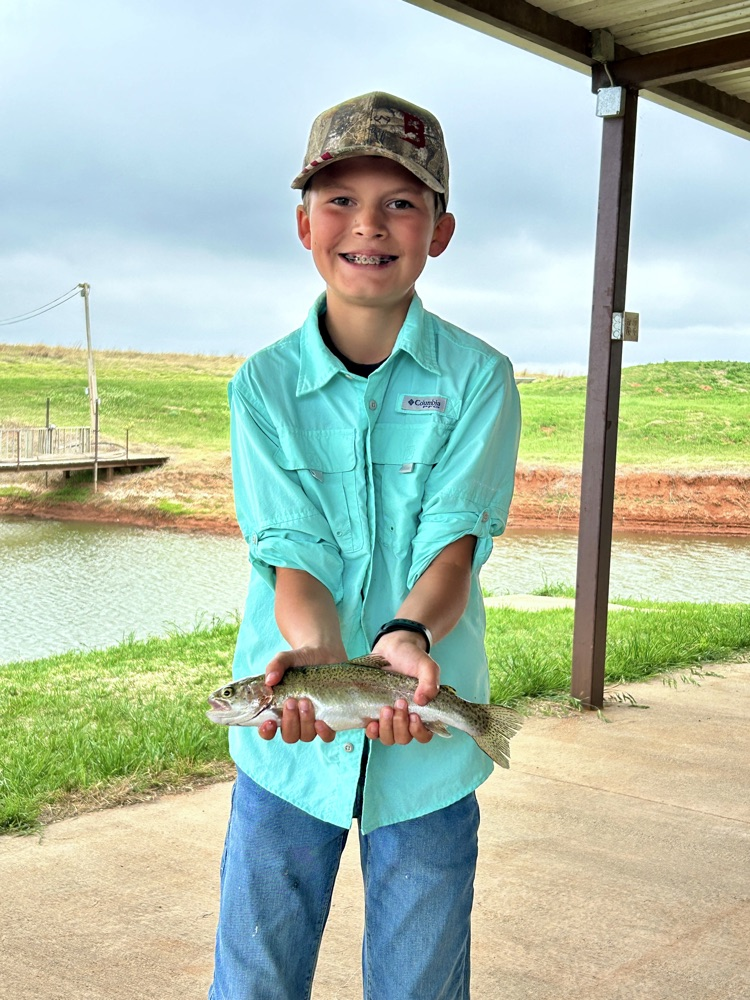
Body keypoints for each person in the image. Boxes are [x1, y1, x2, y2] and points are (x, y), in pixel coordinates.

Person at [209, 91, 521, 1000]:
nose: (368, 226)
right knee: (256, 979)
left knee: (419, 984)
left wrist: (407, 637)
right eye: (340, 199)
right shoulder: (261, 386)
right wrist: (308, 655)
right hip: (287, 752)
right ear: (304, 222)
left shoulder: (480, 378)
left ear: (442, 229)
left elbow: (452, 548)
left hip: (423, 732)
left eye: (401, 202)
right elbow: (290, 553)